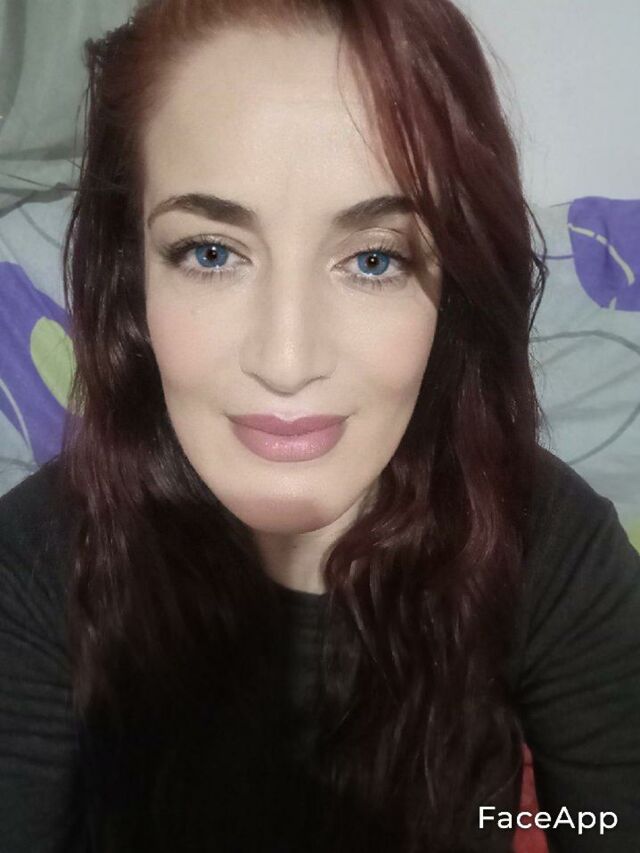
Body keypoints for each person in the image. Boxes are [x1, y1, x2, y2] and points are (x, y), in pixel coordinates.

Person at [0, 0, 639, 851]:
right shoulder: (37, 562)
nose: (288, 359)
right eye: (211, 252)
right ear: (132, 278)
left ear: (453, 290)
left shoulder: (549, 546)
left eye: (374, 258)